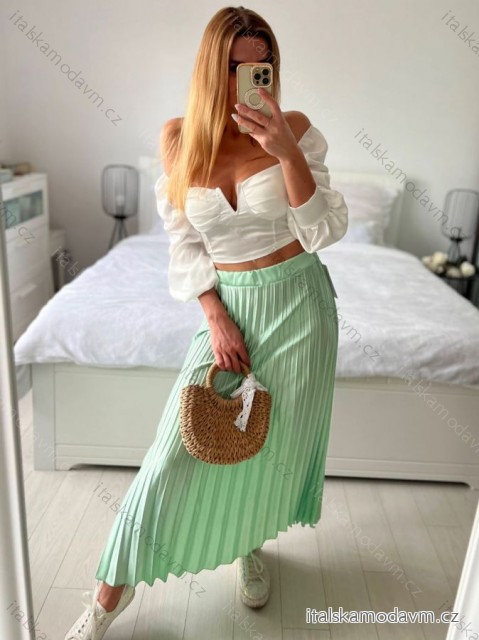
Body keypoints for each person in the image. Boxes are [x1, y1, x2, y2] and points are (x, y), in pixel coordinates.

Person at [64, 5, 348, 639]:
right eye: (233, 66)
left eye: (260, 67)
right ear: (210, 68)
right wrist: (215, 317)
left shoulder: (297, 131)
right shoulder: (179, 139)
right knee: (172, 453)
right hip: (231, 308)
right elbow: (185, 243)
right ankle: (105, 600)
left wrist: (286, 152)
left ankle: (247, 545)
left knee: (268, 446)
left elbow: (324, 230)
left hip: (300, 306)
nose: (248, 79)